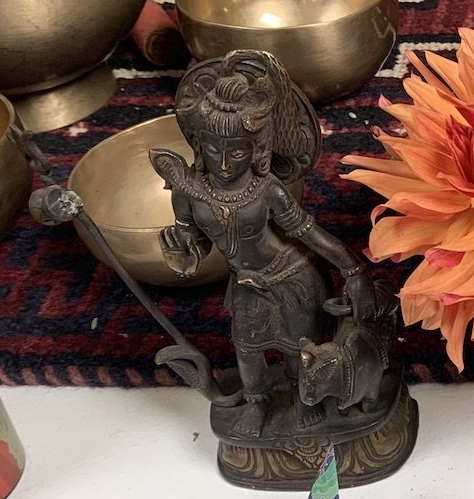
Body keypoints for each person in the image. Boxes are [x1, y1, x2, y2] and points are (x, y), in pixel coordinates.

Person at [153, 50, 379, 439]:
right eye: (213, 150)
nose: (225, 164)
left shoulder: (266, 189)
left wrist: (353, 270)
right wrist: (182, 250)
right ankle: (257, 404)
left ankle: (302, 401)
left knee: (296, 351)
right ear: (198, 144)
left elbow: (308, 233)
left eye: (237, 152)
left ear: (257, 151)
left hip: (292, 278)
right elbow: (194, 244)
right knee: (247, 349)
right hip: (245, 282)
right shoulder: (188, 191)